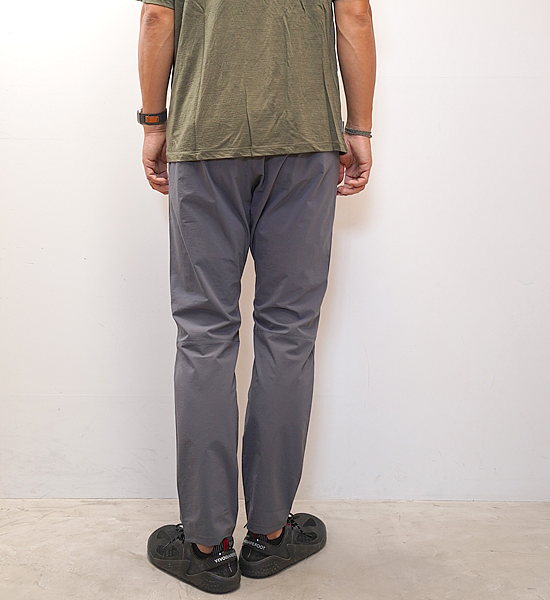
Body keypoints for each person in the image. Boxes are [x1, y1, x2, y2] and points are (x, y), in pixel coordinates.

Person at [137, 0, 376, 593]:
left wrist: (153, 122)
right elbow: (355, 16)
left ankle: (207, 545)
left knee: (204, 334)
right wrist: (358, 128)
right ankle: (269, 535)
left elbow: (157, 19)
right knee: (288, 332)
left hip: (204, 134)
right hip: (305, 138)